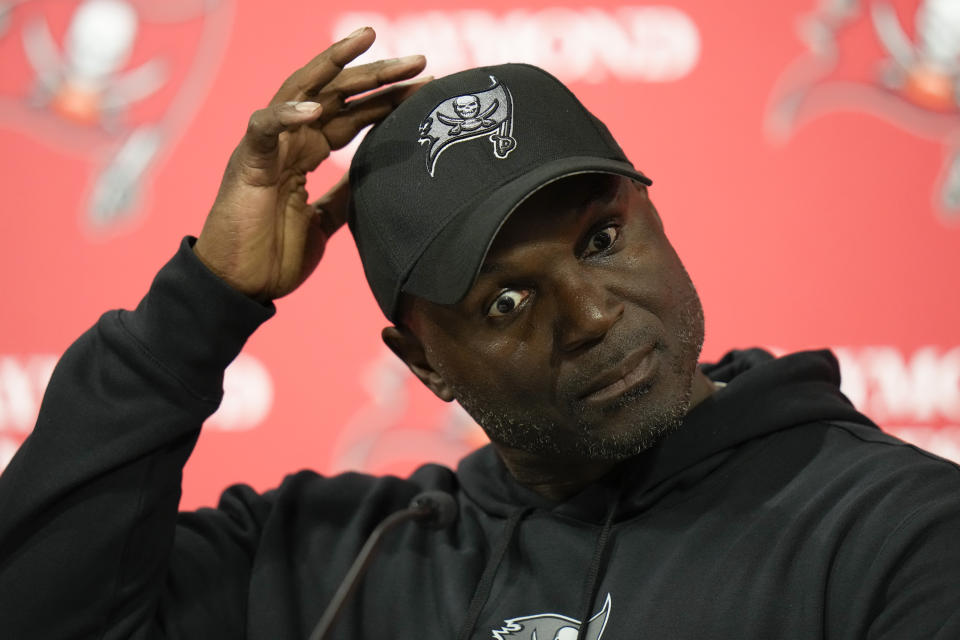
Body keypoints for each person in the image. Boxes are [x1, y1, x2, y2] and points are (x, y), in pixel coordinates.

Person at [0, 28, 958, 640]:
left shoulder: (896, 532)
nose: (590, 315)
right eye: (505, 301)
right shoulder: (328, 563)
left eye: (603, 239)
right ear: (424, 364)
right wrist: (200, 306)